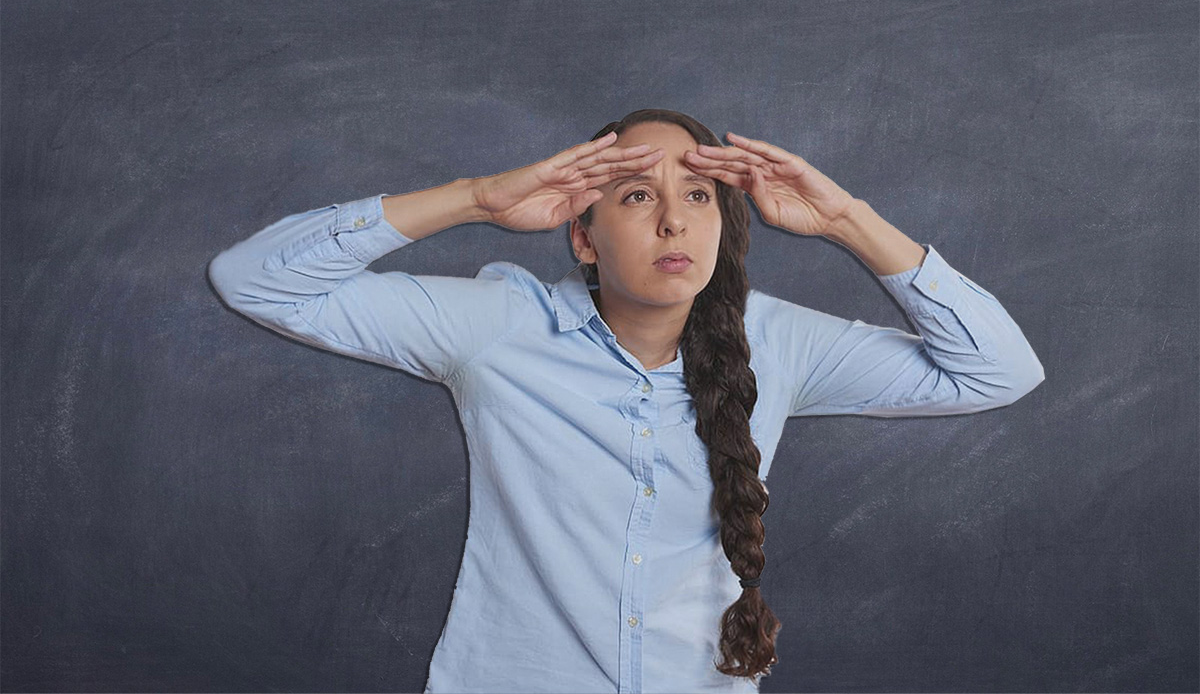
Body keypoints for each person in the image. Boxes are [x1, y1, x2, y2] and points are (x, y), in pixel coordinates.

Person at [208, 108, 1044, 693]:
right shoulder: (503, 323)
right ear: (583, 235)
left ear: (724, 226)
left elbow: (995, 371)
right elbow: (256, 280)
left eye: (697, 197)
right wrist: (476, 199)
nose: (673, 223)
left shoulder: (778, 341)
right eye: (638, 196)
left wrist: (846, 220)